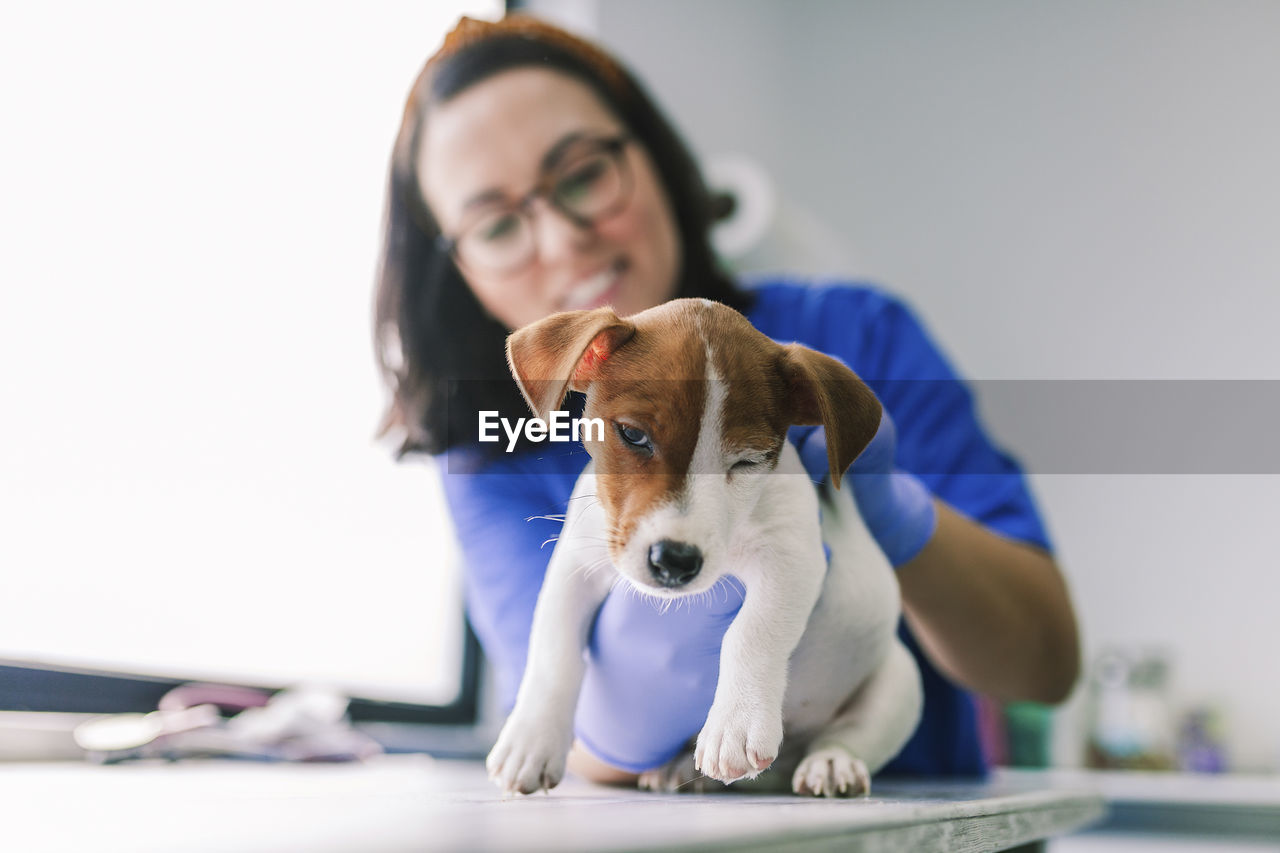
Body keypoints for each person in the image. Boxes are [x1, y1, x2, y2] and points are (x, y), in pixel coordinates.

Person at [374, 14, 1080, 784]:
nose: (561, 238)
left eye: (581, 175)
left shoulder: (851, 338)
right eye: (497, 224)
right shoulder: (487, 452)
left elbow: (1046, 665)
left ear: (653, 156)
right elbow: (573, 747)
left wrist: (896, 514)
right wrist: (615, 701)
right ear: (457, 269)